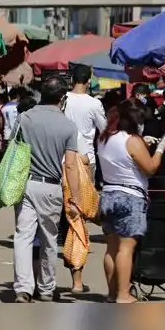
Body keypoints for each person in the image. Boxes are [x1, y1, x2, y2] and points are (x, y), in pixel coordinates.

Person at [12, 77, 81, 303]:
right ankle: (46, 289)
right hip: (51, 187)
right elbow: (70, 165)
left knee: (23, 236)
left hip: (25, 183)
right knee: (49, 240)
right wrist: (75, 199)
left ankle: (23, 288)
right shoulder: (68, 126)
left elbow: (12, 149)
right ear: (62, 98)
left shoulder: (24, 118)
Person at [96, 100, 165, 303]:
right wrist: (160, 149)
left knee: (111, 248)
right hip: (130, 197)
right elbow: (150, 168)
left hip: (108, 193)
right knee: (126, 248)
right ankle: (123, 294)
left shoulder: (104, 139)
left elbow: (122, 159)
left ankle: (112, 293)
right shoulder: (132, 140)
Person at [60, 64, 107, 294]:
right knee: (77, 218)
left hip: (60, 163)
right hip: (84, 164)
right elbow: (105, 130)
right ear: (88, 80)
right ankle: (77, 281)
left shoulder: (62, 100)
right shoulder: (94, 104)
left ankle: (49, 277)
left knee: (64, 219)